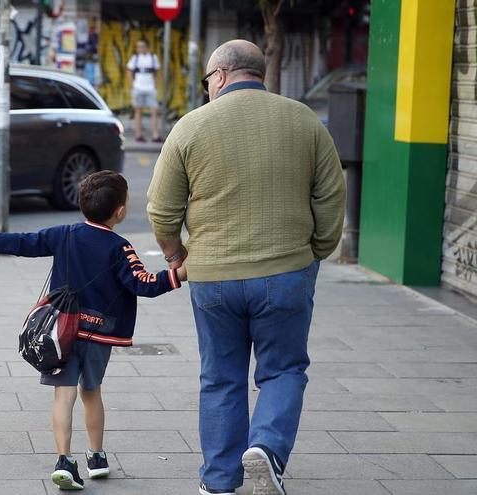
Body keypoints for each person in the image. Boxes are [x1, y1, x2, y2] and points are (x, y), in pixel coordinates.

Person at [146, 40, 346, 495]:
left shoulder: (190, 127)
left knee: (219, 377)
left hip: (213, 277)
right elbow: (331, 196)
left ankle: (218, 482)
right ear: (259, 74)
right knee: (283, 370)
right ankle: (267, 450)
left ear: (219, 76)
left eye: (206, 81)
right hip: (286, 272)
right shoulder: (304, 120)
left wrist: (178, 258)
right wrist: (316, 250)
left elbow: (161, 211)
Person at [0, 171, 186, 490]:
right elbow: (143, 284)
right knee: (91, 392)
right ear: (120, 211)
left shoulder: (65, 234)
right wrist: (180, 273)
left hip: (61, 334)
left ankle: (64, 461)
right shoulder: (120, 248)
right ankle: (96, 457)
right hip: (100, 334)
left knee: (64, 394)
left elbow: (24, 242)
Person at [127, 39, 162, 143]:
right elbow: (129, 72)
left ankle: (155, 135)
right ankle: (138, 135)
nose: (140, 49)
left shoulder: (152, 57)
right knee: (138, 112)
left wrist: (155, 86)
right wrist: (132, 86)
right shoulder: (135, 58)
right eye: (138, 47)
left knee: (154, 111)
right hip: (138, 88)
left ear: (147, 47)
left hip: (150, 88)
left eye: (142, 46)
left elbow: (156, 73)